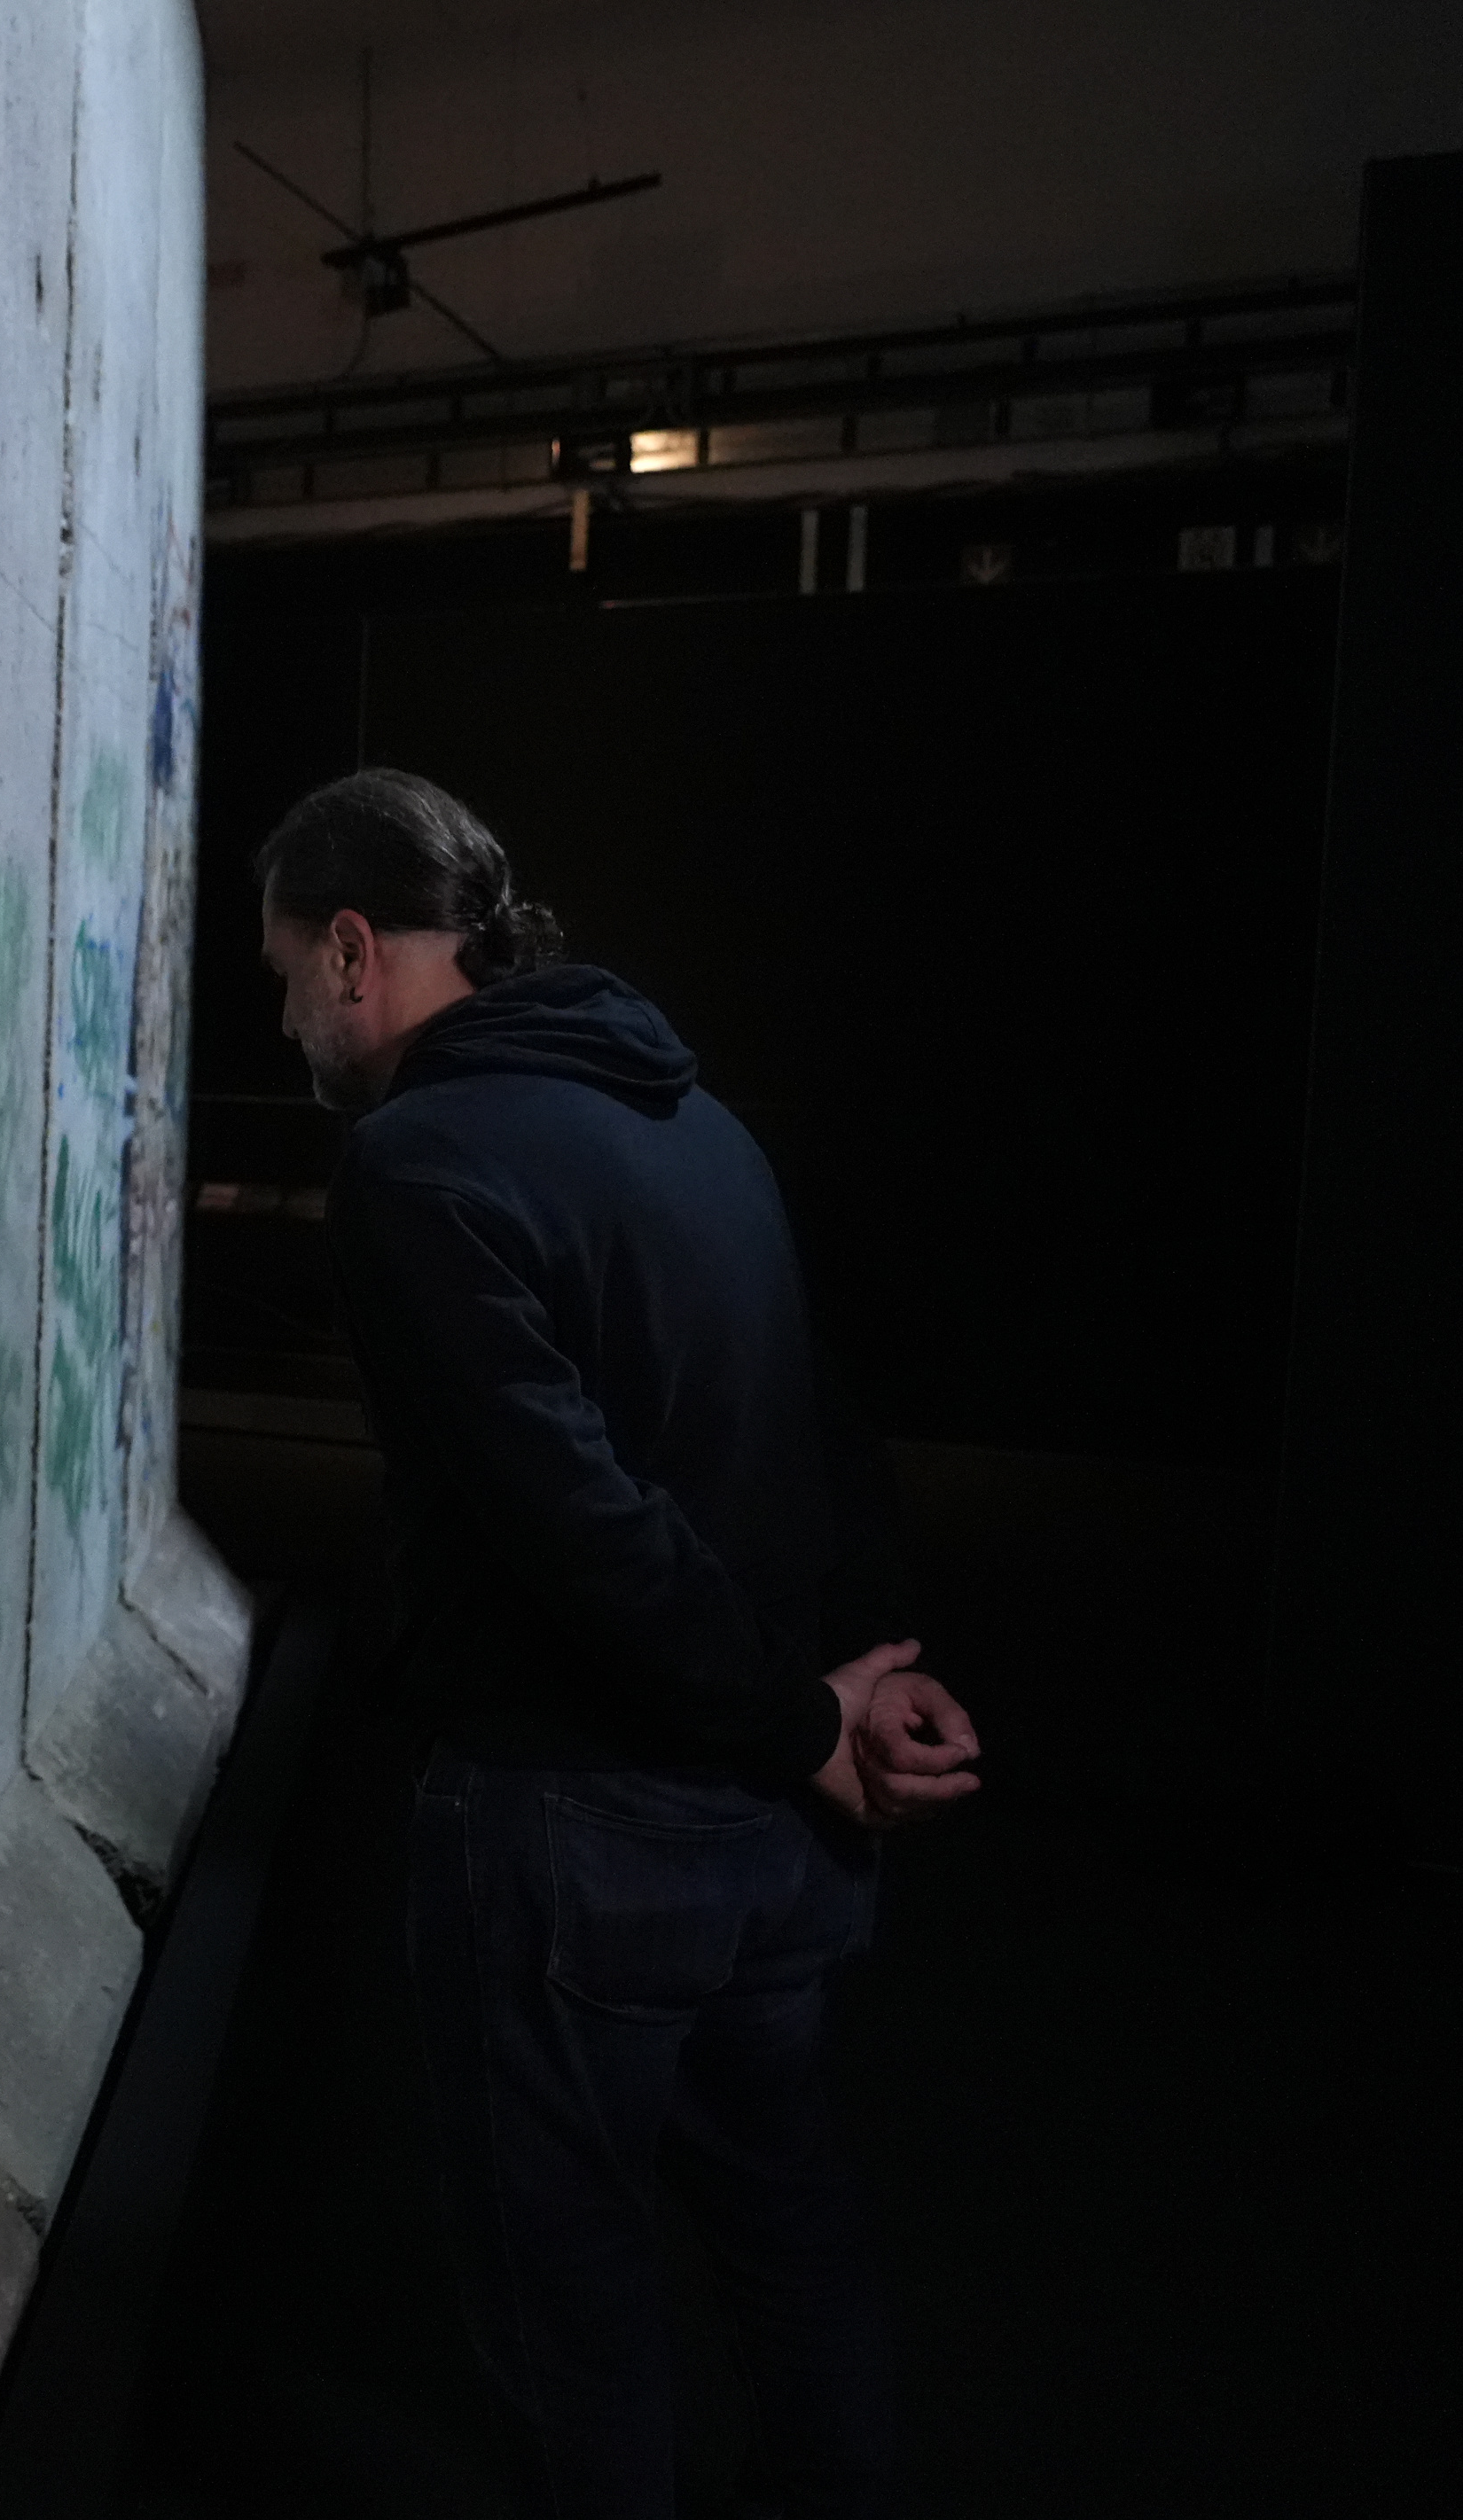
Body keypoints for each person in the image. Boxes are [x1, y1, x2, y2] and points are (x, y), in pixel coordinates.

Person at [253, 768, 982, 2520]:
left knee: (568, 2297)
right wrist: (876, 1678)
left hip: (585, 1831)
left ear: (356, 950)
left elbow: (570, 1524)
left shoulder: (413, 1165)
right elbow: (825, 1430)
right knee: (785, 2223)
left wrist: (796, 1720)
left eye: (284, 976)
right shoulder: (701, 1125)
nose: (286, 1019)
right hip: (781, 1842)